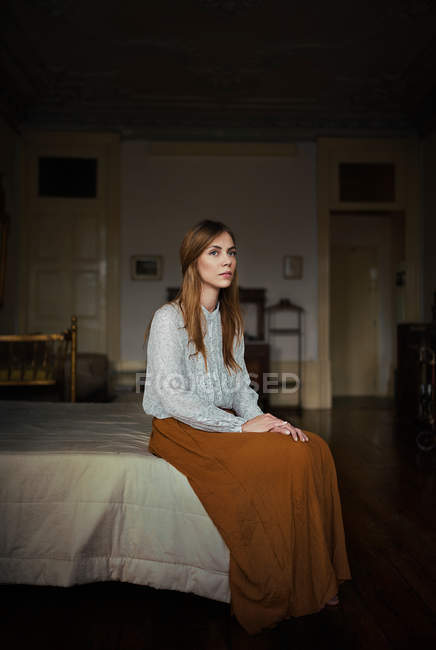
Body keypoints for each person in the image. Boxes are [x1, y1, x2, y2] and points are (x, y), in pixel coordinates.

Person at [142, 219, 352, 635]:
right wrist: (239, 429)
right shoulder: (169, 319)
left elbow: (240, 387)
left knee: (315, 447)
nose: (227, 262)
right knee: (286, 459)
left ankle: (318, 575)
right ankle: (286, 584)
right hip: (179, 427)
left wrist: (261, 420)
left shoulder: (230, 319)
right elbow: (173, 398)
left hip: (223, 421)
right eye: (215, 252)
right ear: (193, 261)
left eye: (232, 252)